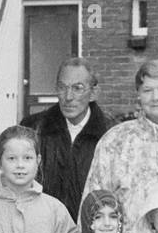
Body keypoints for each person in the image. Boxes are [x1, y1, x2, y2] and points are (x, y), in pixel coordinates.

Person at [83, 58, 158, 233]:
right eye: (147, 90)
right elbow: (93, 203)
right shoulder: (116, 141)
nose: (155, 97)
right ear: (139, 95)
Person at [20, 57, 113, 217]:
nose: (68, 96)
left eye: (77, 88)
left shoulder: (110, 133)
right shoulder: (34, 128)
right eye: (62, 87)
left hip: (93, 231)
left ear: (93, 93)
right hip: (42, 229)